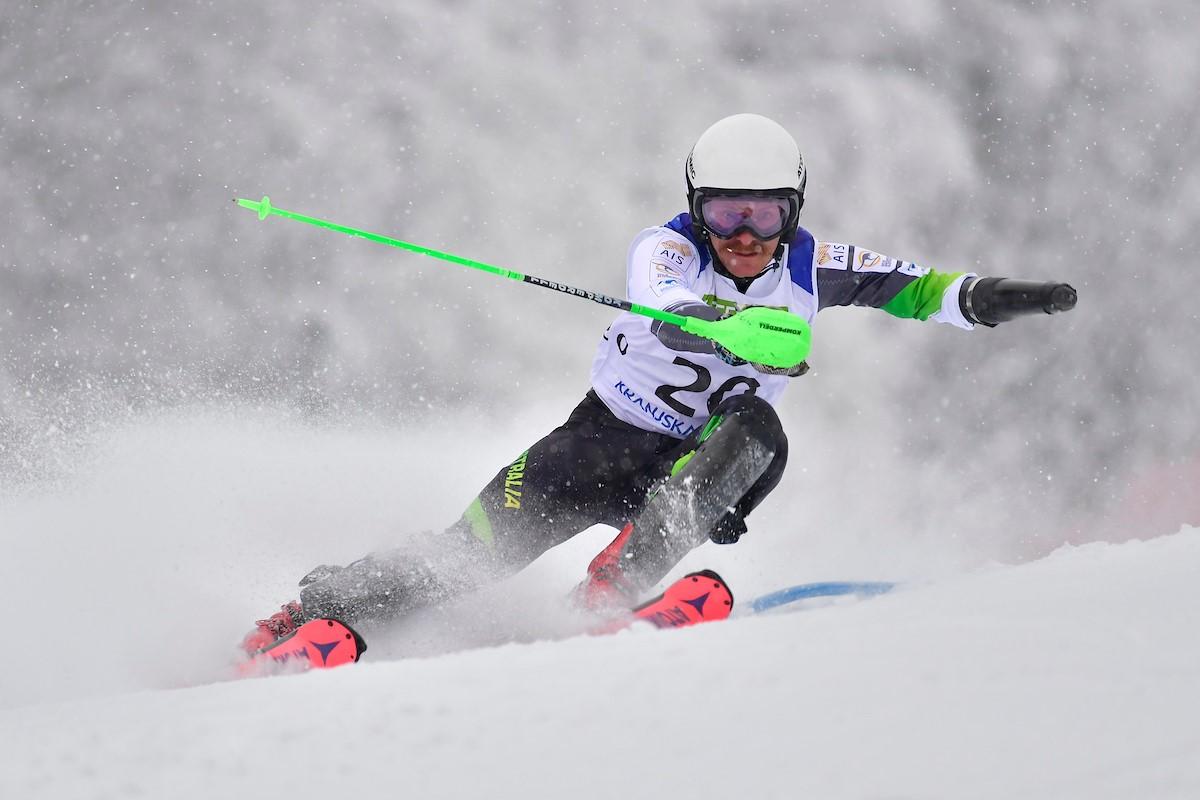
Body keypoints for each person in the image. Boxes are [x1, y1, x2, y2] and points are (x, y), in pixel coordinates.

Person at [242, 113, 1077, 652]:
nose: (745, 236)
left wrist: (990, 299)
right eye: (725, 214)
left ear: (792, 210)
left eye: (764, 215)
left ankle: (612, 593)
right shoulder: (665, 247)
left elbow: (917, 288)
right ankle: (317, 614)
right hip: (594, 443)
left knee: (760, 431)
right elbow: (666, 304)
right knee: (461, 562)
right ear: (695, 206)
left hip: (685, 471)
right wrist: (732, 325)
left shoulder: (813, 265)